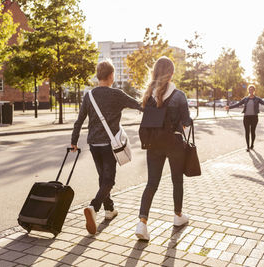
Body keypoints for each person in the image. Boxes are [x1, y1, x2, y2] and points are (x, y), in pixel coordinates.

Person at [71, 60, 142, 235]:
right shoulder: (117, 95)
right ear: (111, 76)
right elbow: (139, 104)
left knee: (103, 177)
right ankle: (94, 208)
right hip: (110, 145)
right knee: (109, 180)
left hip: (94, 144)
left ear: (98, 76)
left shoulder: (89, 96)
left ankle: (109, 209)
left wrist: (74, 141)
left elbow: (79, 120)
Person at [135, 57, 192, 241]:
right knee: (177, 180)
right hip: (174, 143)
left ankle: (142, 223)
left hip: (154, 143)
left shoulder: (148, 94)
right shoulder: (179, 95)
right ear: (172, 73)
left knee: (152, 183)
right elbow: (186, 123)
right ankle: (178, 216)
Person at [225, 85, 264, 152]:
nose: (251, 90)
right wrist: (229, 107)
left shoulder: (257, 99)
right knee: (247, 132)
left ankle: (252, 144)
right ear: (248, 90)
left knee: (252, 131)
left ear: (254, 90)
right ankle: (247, 146)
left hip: (254, 117)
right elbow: (238, 104)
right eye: (250, 89)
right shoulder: (245, 99)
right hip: (246, 117)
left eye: (252, 89)